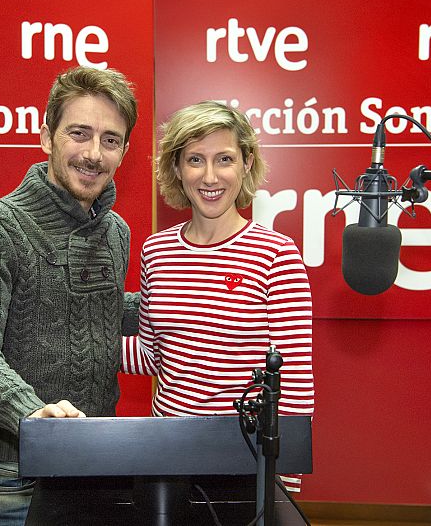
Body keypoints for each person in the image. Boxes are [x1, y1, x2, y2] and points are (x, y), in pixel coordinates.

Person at [0, 65, 141, 526]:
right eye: (79, 133)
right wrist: (32, 414)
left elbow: (99, 310)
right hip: (17, 475)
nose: (93, 154)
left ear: (124, 150)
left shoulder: (117, 232)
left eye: (110, 140)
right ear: (47, 137)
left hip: (99, 462)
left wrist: (182, 299)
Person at [121, 100, 314, 492]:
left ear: (246, 163)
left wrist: (281, 488)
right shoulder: (155, 251)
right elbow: (153, 355)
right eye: (195, 159)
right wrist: (74, 346)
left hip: (243, 463)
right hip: (167, 458)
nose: (210, 176)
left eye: (224, 158)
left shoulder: (275, 254)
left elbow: (292, 380)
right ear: (176, 168)